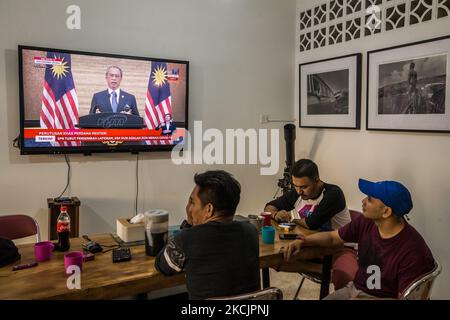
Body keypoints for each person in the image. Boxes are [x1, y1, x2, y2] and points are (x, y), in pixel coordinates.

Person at [283, 179, 435, 299]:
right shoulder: (366, 222)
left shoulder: (413, 252)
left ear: (386, 212)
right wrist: (303, 241)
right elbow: (332, 237)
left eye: (369, 199)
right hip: (355, 289)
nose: (363, 201)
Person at [155, 170, 260, 299]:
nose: (188, 207)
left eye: (192, 202)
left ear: (209, 209)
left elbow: (162, 265)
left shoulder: (186, 239)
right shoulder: (251, 231)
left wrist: (188, 225)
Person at [264, 159, 356, 290]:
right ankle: (319, 269)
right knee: (271, 259)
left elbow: (311, 223)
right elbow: (269, 206)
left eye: (304, 187)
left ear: (317, 181)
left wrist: (290, 218)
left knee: (346, 276)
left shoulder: (333, 193)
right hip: (311, 245)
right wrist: (275, 215)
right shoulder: (298, 192)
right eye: (295, 185)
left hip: (340, 247)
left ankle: (325, 270)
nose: (299, 191)